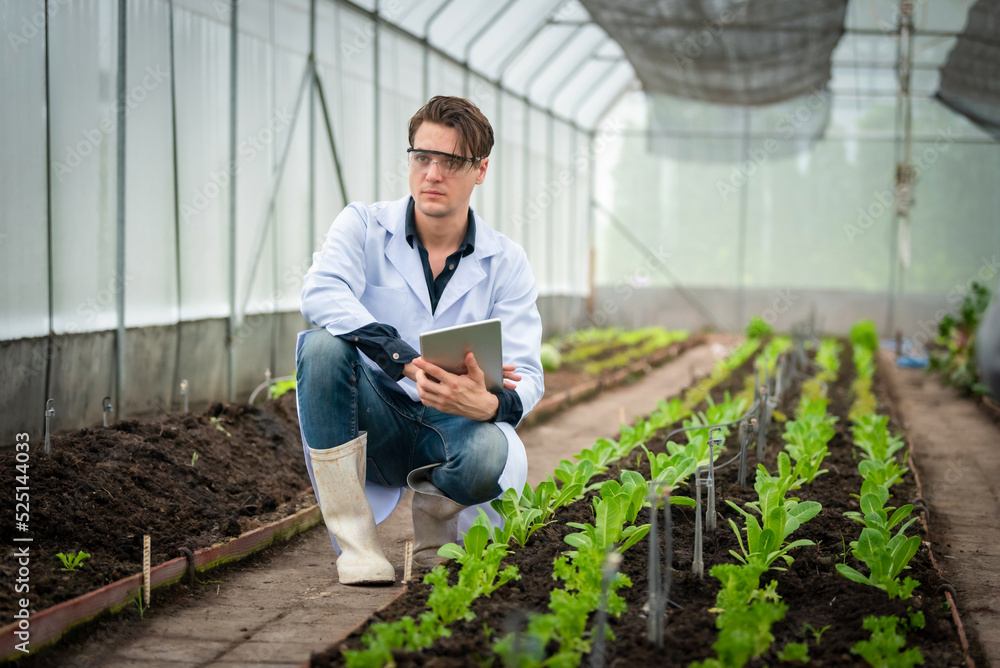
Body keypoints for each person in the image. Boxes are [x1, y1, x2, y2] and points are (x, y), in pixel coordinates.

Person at [295, 96, 544, 585]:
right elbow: (321, 291)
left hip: (450, 429)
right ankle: (358, 546)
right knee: (322, 346)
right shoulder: (364, 225)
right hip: (377, 423)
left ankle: (437, 534)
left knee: (492, 454)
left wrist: (490, 403)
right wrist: (402, 359)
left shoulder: (506, 261)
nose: (432, 173)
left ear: (480, 170)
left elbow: (529, 376)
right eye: (422, 157)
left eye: (451, 161)